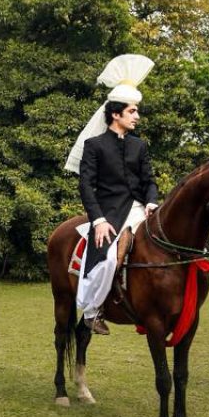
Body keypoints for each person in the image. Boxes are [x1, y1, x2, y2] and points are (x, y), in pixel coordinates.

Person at [65, 54, 159, 335]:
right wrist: (98, 220)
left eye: (137, 111)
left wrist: (152, 200)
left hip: (141, 209)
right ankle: (93, 312)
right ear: (115, 113)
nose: (137, 117)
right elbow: (86, 186)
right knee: (107, 258)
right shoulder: (94, 146)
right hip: (109, 214)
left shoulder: (139, 145)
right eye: (132, 111)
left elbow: (149, 180)